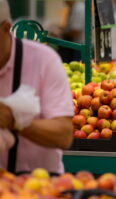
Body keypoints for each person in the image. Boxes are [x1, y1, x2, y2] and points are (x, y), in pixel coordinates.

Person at [0, 0, 74, 174]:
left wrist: (15, 121)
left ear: (5, 29)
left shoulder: (43, 60)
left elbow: (63, 135)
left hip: (40, 184)